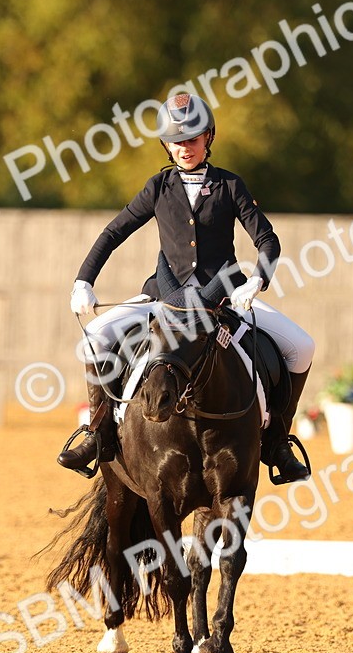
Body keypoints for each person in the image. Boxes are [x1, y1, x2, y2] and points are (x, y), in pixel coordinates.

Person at [57, 93, 315, 483]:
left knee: (301, 347)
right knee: (94, 336)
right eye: (176, 141)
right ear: (166, 145)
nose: (184, 148)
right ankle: (99, 434)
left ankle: (278, 443)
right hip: (164, 297)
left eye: (192, 139)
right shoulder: (158, 187)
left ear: (208, 138)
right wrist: (83, 280)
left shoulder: (230, 185)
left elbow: (268, 240)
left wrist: (258, 278)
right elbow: (114, 232)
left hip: (224, 297)